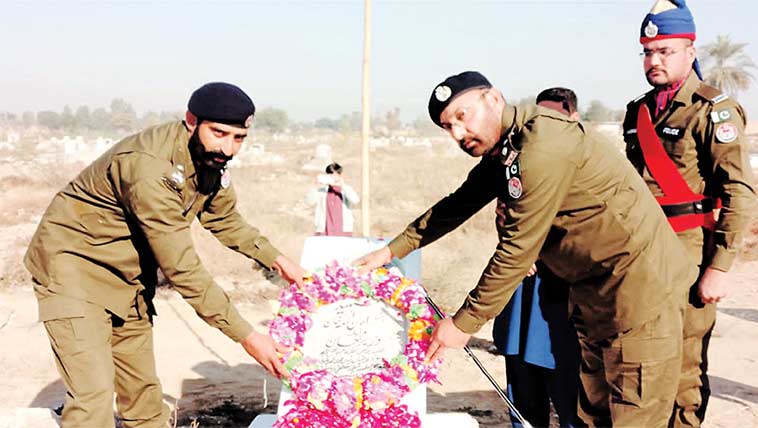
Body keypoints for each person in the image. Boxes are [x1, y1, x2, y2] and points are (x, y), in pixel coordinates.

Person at [355, 71, 698, 427]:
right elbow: (458, 204)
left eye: (462, 116)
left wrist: (463, 323)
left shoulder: (542, 145)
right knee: (596, 412)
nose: (458, 133)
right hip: (595, 292)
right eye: (447, 127)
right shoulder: (509, 147)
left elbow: (517, 249)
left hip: (639, 289)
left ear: (494, 99)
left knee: (634, 413)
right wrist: (392, 250)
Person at [24, 82, 305, 428]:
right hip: (74, 268)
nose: (228, 148)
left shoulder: (210, 160)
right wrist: (248, 336)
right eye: (218, 133)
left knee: (143, 396)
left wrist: (282, 262)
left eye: (238, 138)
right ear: (191, 120)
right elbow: (182, 268)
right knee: (93, 400)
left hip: (128, 278)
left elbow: (225, 220)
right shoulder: (150, 168)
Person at [624, 1, 756, 426]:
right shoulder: (637, 111)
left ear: (690, 52)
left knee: (683, 365)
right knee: (641, 360)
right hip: (640, 255)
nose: (654, 60)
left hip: (688, 253)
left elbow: (740, 191)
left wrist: (719, 267)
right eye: (648, 52)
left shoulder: (712, 110)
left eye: (665, 51)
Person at [491, 87, 581, 428]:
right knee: (522, 384)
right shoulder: (517, 159)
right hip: (525, 286)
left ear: (572, 118)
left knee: (567, 386)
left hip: (565, 290)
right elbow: (505, 210)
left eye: (554, 118)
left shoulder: (582, 160)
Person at [306, 162, 360, 236]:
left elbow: (355, 200)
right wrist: (315, 187)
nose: (332, 177)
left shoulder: (345, 189)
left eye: (334, 175)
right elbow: (309, 202)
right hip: (324, 230)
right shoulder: (322, 190)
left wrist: (342, 185)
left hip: (343, 231)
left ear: (339, 175)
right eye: (330, 175)